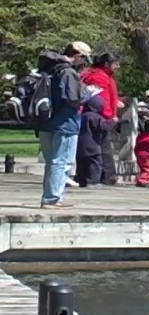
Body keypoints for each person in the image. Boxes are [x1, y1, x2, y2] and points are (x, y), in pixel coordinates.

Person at [37, 41, 93, 209]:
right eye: (83, 59)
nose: (83, 64)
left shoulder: (48, 68)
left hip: (46, 122)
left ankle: (49, 196)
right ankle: (52, 198)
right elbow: (72, 98)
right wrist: (88, 94)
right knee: (62, 162)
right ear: (77, 55)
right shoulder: (68, 72)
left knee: (51, 162)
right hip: (65, 123)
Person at [81, 53, 120, 186]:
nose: (117, 67)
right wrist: (109, 117)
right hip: (100, 117)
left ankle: (103, 176)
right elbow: (101, 100)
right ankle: (105, 176)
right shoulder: (99, 77)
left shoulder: (100, 75)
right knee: (102, 148)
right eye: (115, 64)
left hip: (98, 116)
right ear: (106, 64)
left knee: (100, 148)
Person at [76, 96, 118, 188]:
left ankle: (82, 180)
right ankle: (93, 181)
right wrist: (113, 122)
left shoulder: (82, 115)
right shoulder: (95, 117)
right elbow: (103, 127)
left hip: (80, 145)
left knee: (82, 164)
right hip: (93, 146)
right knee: (95, 163)